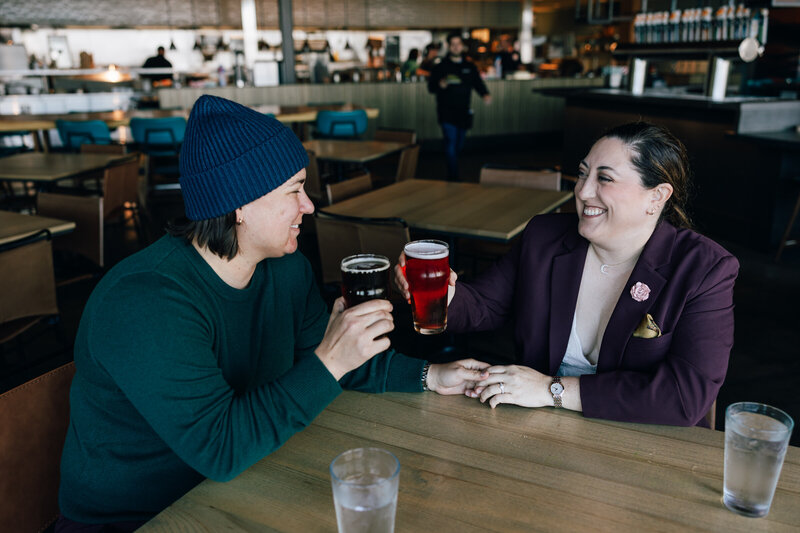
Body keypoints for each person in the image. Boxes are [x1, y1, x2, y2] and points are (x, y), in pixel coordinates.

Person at [56, 95, 490, 532]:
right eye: (294, 190)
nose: (309, 206)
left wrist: (429, 376)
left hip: (242, 481)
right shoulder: (145, 301)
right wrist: (331, 360)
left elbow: (330, 361)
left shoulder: (284, 269)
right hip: (141, 518)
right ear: (239, 205)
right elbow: (222, 447)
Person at [395, 122, 739, 427]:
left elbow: (683, 398)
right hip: (540, 428)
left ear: (657, 196)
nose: (583, 191)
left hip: (645, 442)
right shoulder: (544, 238)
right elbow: (484, 305)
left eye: (604, 178)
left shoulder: (705, 269)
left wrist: (551, 390)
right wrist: (443, 295)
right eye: (583, 174)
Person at [427, 33, 491, 180]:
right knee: (450, 143)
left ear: (462, 46)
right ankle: (453, 176)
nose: (456, 47)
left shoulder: (469, 66)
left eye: (458, 44)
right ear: (449, 47)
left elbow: (477, 83)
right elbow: (431, 88)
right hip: (446, 111)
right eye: (453, 44)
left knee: (458, 145)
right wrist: (440, 85)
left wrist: (485, 94)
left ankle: (452, 168)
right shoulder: (440, 67)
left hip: (464, 112)